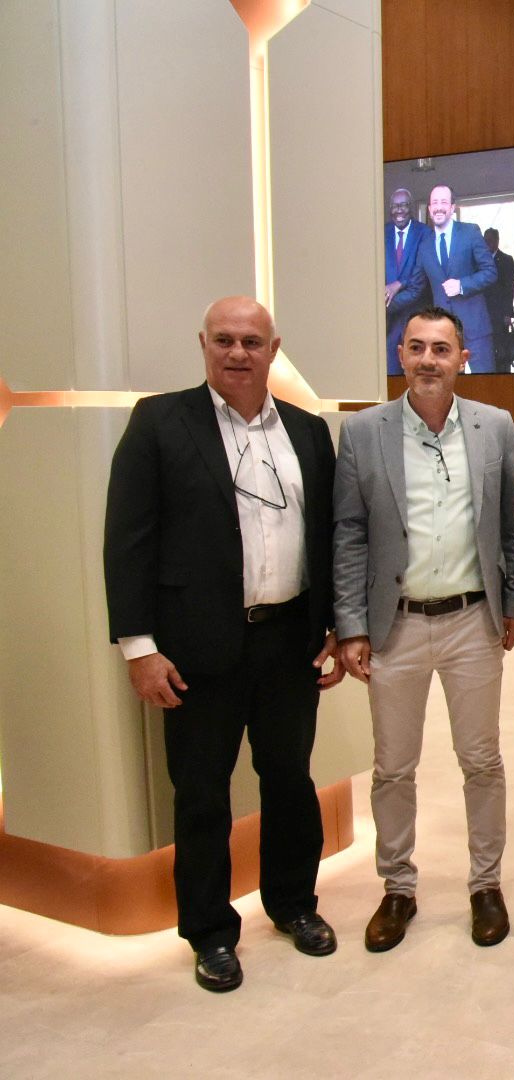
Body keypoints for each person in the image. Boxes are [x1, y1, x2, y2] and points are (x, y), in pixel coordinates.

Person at [103, 296, 344, 992]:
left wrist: (334, 624)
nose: (237, 353)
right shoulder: (159, 422)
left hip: (289, 642)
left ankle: (293, 904)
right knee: (202, 794)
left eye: (251, 342)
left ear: (274, 350)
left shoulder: (306, 431)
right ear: (203, 343)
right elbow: (127, 540)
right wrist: (139, 647)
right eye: (224, 340)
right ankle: (209, 931)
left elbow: (328, 536)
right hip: (196, 649)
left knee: (290, 781)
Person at [332, 306, 514, 953]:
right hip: (397, 624)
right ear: (401, 355)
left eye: (441, 348)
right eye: (416, 347)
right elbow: (350, 533)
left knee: (482, 761)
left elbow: (511, 526)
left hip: (473, 619)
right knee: (393, 768)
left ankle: (486, 885)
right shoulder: (364, 432)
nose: (428, 360)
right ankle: (398, 888)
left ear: (463, 358)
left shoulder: (495, 427)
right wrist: (351, 626)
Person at [396, 185, 498, 373]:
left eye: (443, 202)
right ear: (429, 209)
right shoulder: (424, 246)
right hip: (442, 337)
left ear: (452, 207)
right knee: (447, 387)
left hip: (476, 332)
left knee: (485, 385)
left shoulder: (470, 232)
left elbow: (490, 272)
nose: (438, 207)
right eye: (434, 203)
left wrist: (462, 285)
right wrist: (384, 302)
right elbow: (415, 286)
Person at [383, 188, 428, 375]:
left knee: (417, 371)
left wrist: (399, 284)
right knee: (390, 371)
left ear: (411, 208)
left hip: (415, 315)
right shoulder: (381, 232)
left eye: (403, 205)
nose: (399, 210)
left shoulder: (424, 233)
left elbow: (421, 275)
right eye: (395, 206)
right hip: (388, 323)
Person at [482, 227, 514, 372]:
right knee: (486, 348)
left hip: (500, 313)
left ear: (497, 241)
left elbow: (509, 288)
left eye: (490, 240)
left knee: (502, 348)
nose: (487, 244)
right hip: (483, 311)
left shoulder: (506, 260)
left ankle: (503, 375)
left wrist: (508, 314)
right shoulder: (480, 261)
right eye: (485, 241)